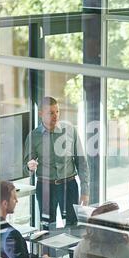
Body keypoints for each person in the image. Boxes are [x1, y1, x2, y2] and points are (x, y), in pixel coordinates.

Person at [24, 96, 89, 227]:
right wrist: (29, 167)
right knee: (47, 228)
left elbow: (81, 162)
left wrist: (85, 190)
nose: (55, 116)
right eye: (51, 113)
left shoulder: (70, 131)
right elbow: (25, 167)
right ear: (41, 113)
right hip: (45, 188)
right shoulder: (34, 136)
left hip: (69, 186)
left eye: (57, 112)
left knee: (73, 227)